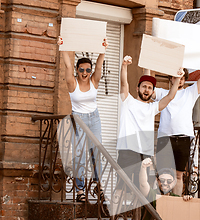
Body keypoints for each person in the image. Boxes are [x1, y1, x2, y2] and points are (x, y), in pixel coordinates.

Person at [115, 56, 183, 196]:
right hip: (127, 149)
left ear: (152, 92)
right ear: (138, 88)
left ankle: (135, 218)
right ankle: (116, 216)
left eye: (150, 88)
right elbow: (123, 84)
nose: (146, 90)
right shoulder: (128, 101)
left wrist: (177, 79)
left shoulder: (152, 107)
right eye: (144, 86)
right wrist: (124, 66)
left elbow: (170, 96)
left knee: (142, 188)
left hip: (144, 153)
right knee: (122, 186)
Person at [149, 68, 200, 196]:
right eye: (176, 76)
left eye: (182, 77)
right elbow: (148, 90)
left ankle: (175, 205)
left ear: (185, 79)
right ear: (170, 78)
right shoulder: (162, 93)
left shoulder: (190, 92)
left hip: (183, 138)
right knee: (163, 175)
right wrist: (147, 66)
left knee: (178, 176)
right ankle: (162, 208)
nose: (179, 79)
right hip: (165, 138)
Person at [57, 36, 107, 202]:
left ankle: (98, 186)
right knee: (79, 155)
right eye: (81, 70)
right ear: (77, 71)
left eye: (87, 70)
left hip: (95, 118)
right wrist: (62, 46)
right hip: (79, 119)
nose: (85, 73)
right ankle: (80, 191)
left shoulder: (94, 81)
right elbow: (67, 64)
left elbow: (100, 65)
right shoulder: (72, 84)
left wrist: (103, 50)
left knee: (96, 153)